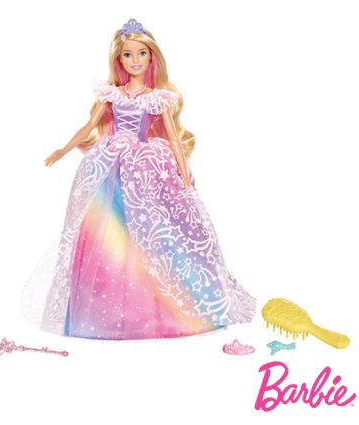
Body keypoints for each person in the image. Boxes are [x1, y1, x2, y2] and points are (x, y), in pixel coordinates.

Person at [20, 18, 256, 340]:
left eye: (141, 54)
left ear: (151, 57)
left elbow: (173, 138)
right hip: (112, 166)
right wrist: (64, 149)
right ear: (119, 60)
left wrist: (185, 174)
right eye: (128, 55)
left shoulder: (157, 98)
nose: (135, 61)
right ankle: (101, 311)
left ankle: (162, 305)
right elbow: (89, 126)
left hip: (146, 167)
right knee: (107, 228)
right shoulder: (112, 95)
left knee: (152, 226)